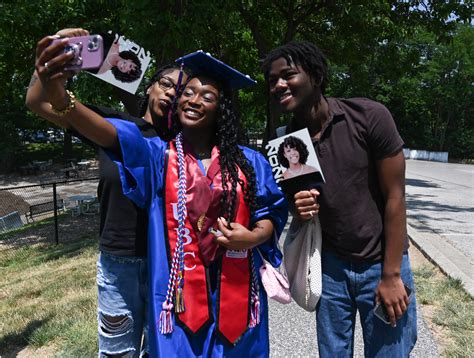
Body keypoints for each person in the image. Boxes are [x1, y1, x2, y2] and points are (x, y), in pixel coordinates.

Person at [33, 41, 288, 357]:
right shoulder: (157, 157)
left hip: (235, 296)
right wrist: (60, 95)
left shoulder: (249, 161)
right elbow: (108, 134)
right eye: (188, 93)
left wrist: (251, 238)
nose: (194, 100)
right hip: (178, 300)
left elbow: (270, 215)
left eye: (207, 96)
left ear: (221, 109)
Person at [26, 28, 189, 358]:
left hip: (169, 264)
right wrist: (52, 60)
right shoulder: (112, 125)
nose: (173, 93)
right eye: (167, 84)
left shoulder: (187, 143)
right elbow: (36, 101)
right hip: (119, 263)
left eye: (183, 90)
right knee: (118, 353)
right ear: (150, 87)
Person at [262, 41, 417, 357]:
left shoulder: (368, 116)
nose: (278, 85)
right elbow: (300, 206)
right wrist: (300, 207)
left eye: (288, 75)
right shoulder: (285, 141)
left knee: (390, 352)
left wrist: (390, 275)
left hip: (381, 261)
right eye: (271, 80)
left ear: (316, 76)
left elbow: (396, 197)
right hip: (330, 267)